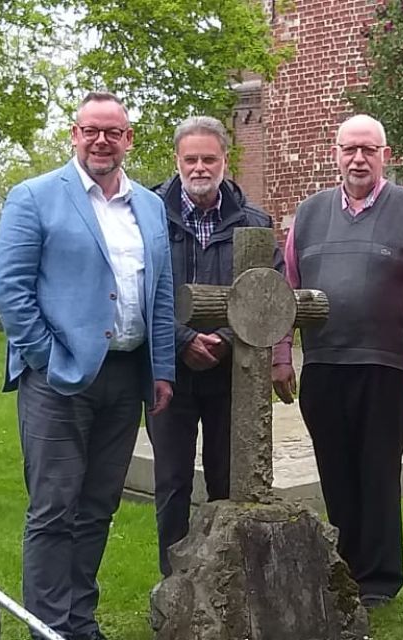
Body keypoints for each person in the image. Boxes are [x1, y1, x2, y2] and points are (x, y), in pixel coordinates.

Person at [0, 91, 176, 640]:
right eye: (90, 130)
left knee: (97, 506)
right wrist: (48, 357)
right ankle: (48, 626)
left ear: (128, 139)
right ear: (74, 135)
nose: (101, 140)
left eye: (112, 132)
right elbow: (10, 289)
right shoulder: (35, 197)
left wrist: (160, 369)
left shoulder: (149, 205)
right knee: (53, 509)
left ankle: (80, 621)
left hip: (123, 376)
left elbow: (159, 292)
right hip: (57, 381)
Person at [273, 114, 403, 608]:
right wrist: (282, 355)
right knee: (336, 472)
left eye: (369, 149)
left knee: (378, 471)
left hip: (387, 365)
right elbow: (286, 291)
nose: (359, 158)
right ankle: (344, 572)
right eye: (350, 149)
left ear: (385, 155)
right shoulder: (309, 213)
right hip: (324, 365)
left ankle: (381, 580)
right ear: (336, 153)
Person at [147, 115, 284, 575]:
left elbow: (269, 291)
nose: (200, 168)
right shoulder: (147, 215)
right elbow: (138, 288)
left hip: (232, 372)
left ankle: (229, 577)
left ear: (226, 160)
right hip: (169, 369)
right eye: (191, 159)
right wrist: (183, 338)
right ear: (177, 161)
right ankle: (176, 579)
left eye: (209, 158)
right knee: (171, 480)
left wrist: (224, 339)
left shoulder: (254, 222)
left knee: (230, 479)